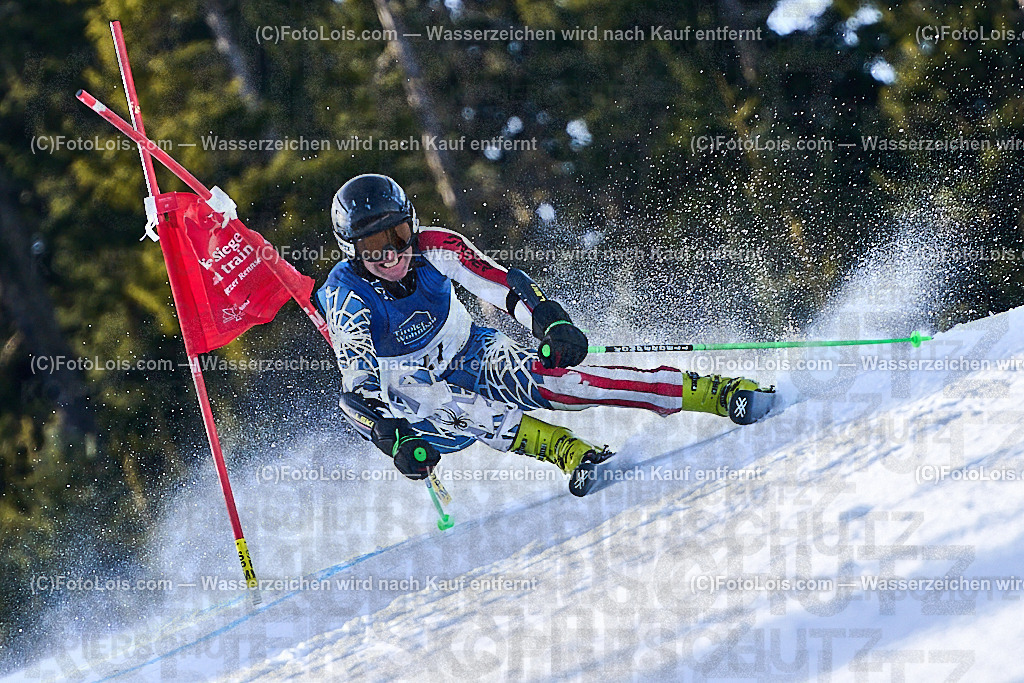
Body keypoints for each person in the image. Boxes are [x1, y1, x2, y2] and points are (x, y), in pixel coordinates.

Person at [316, 174, 774, 495]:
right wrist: (389, 435)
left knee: (563, 384)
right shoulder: (345, 293)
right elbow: (356, 385)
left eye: (396, 235)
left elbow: (501, 286)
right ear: (350, 251)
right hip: (416, 404)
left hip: (470, 350)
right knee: (446, 402)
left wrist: (549, 322)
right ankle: (566, 450)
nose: (390, 254)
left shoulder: (437, 246)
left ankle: (715, 393)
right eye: (372, 247)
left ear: (411, 225)